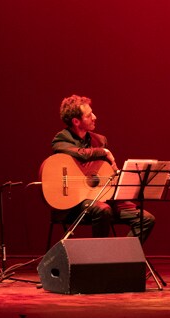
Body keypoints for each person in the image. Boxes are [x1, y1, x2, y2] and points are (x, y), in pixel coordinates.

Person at [49, 94, 155, 241]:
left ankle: (122, 258)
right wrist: (103, 152)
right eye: (89, 115)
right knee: (103, 210)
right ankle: (99, 259)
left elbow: (106, 172)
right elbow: (80, 154)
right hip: (74, 203)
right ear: (76, 121)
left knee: (147, 219)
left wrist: (117, 174)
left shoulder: (99, 140)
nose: (95, 117)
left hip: (103, 198)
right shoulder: (61, 139)